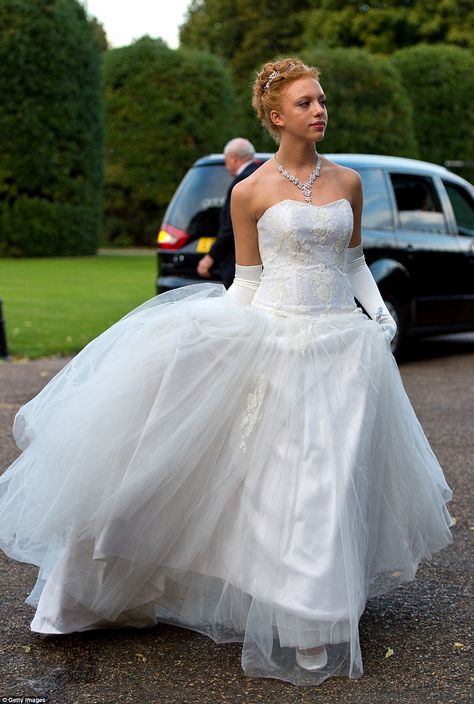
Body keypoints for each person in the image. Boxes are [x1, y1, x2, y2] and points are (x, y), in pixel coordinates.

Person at [0, 58, 453, 687]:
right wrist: (200, 337)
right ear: (275, 116)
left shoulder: (348, 182)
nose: (320, 110)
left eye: (321, 100)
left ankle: (313, 617)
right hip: (274, 339)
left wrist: (380, 316)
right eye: (305, 103)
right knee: (276, 478)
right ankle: (288, 612)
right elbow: (248, 283)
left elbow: (353, 264)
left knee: (331, 478)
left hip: (344, 350)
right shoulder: (248, 191)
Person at [197, 137, 259, 287]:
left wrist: (210, 256)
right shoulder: (260, 175)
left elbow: (230, 226)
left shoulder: (241, 182)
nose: (226, 165)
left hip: (240, 261)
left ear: (233, 158)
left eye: (226, 160)